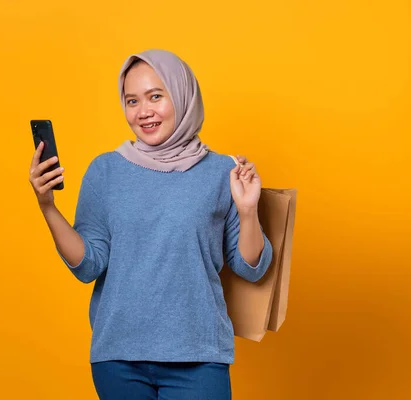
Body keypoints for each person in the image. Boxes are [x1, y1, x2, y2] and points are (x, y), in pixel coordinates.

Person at [28, 49, 273, 400]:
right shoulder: (105, 171)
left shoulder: (223, 172)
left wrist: (248, 210)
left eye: (156, 96)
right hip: (119, 358)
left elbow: (251, 269)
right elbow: (88, 266)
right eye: (132, 101)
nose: (143, 112)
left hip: (199, 356)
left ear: (183, 95)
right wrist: (47, 206)